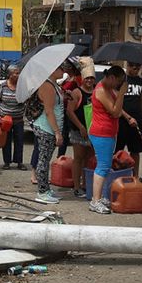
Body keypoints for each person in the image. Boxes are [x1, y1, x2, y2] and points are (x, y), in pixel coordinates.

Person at [88, 65, 127, 214]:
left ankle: (98, 197)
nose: (119, 85)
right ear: (111, 78)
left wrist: (127, 116)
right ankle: (95, 200)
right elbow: (115, 112)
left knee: (105, 165)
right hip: (101, 133)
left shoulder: (109, 89)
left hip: (108, 132)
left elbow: (118, 109)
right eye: (118, 82)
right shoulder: (101, 90)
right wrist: (122, 93)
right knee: (103, 166)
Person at [32, 65, 66, 205]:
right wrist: (57, 132)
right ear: (52, 70)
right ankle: (42, 192)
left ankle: (46, 189)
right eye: (60, 68)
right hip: (46, 128)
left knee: (46, 159)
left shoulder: (54, 85)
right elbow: (48, 111)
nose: (63, 70)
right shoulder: (47, 85)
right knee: (43, 160)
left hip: (51, 128)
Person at [66, 61, 96, 198]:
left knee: (89, 159)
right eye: (87, 78)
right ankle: (77, 186)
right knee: (78, 158)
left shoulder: (97, 92)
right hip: (78, 131)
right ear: (83, 79)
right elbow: (70, 111)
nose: (89, 81)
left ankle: (85, 184)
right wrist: (81, 127)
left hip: (92, 131)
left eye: (91, 78)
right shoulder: (76, 92)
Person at [116, 61, 142, 179]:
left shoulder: (141, 82)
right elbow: (116, 103)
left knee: (135, 150)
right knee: (118, 150)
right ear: (127, 65)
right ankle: (117, 175)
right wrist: (127, 117)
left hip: (137, 121)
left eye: (138, 66)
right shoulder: (121, 81)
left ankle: (135, 176)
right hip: (122, 120)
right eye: (132, 65)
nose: (135, 68)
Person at [0, 65, 26, 170]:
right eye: (16, 73)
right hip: (5, 120)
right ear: (10, 75)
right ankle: (7, 162)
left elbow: (26, 100)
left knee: (19, 141)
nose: (18, 75)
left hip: (18, 119)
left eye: (19, 72)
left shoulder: (22, 86)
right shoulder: (2, 86)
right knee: (6, 141)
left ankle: (19, 162)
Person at [57, 59, 82, 157]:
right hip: (64, 107)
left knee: (68, 133)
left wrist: (71, 94)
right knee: (64, 133)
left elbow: (79, 91)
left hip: (72, 109)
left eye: (66, 66)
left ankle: (63, 155)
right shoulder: (68, 78)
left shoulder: (77, 78)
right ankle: (60, 155)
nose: (64, 68)